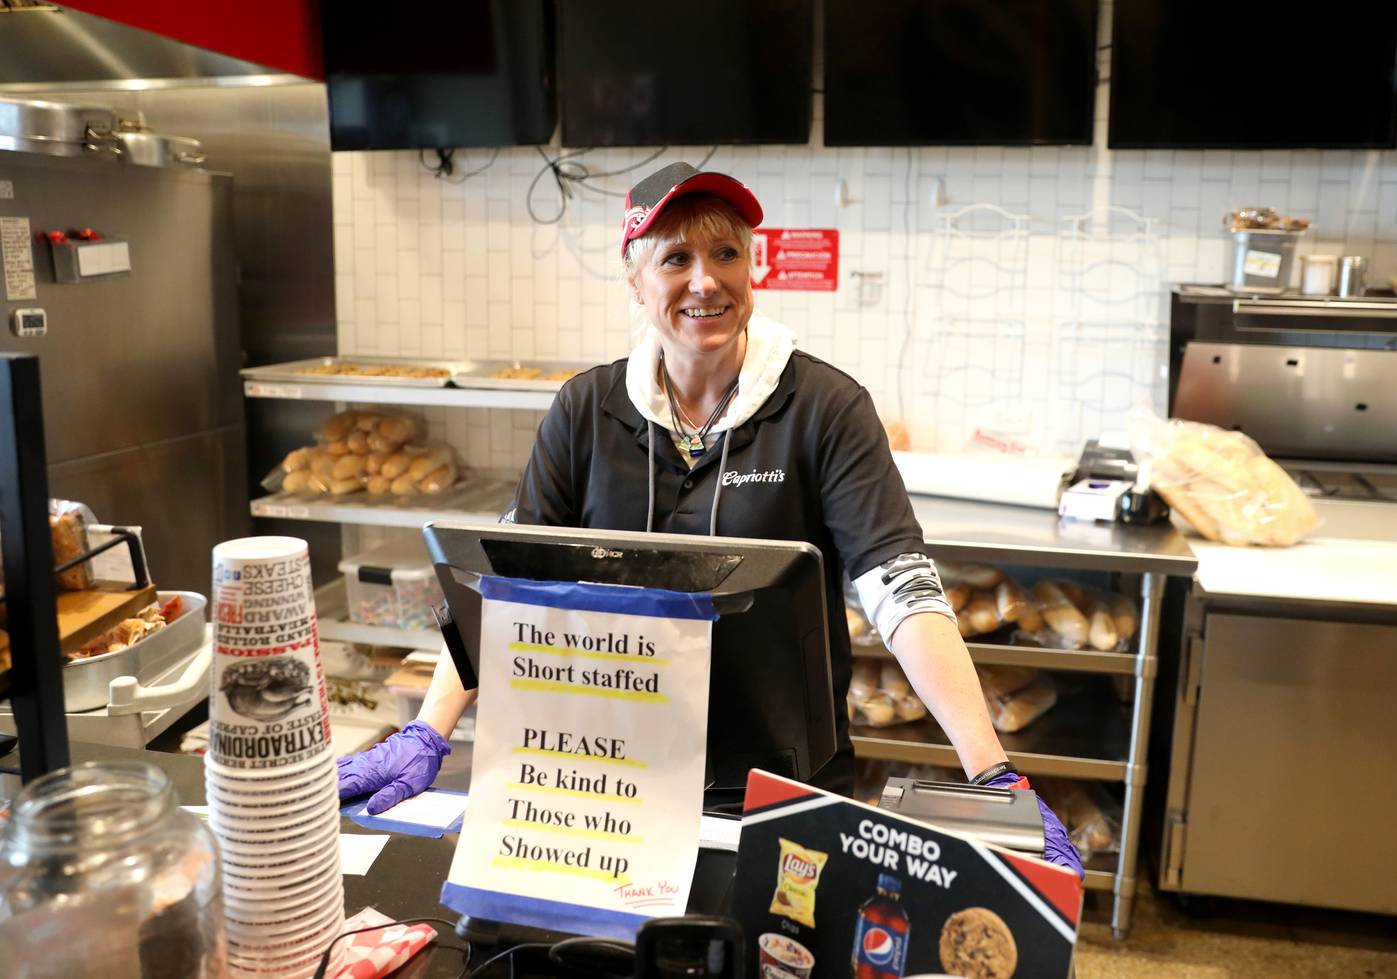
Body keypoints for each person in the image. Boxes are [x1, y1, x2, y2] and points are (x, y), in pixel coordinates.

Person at [338, 162, 1082, 876]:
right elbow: (500, 578)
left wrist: (991, 769)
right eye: (676, 257)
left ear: (751, 268)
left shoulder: (825, 408)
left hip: (784, 779)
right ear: (634, 280)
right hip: (606, 774)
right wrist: (427, 727)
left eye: (726, 251)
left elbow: (901, 586)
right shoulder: (584, 412)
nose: (706, 278)